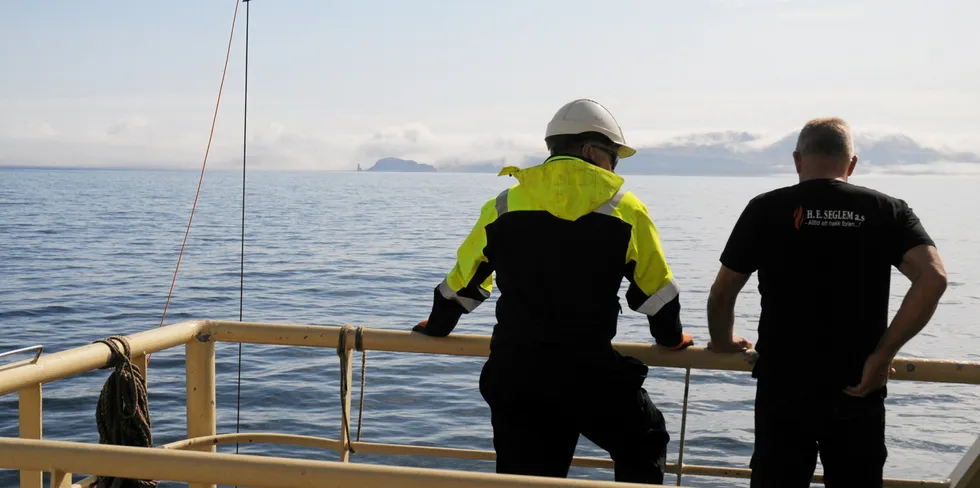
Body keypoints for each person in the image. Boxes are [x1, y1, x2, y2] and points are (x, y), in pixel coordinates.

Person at [411, 98, 694, 483]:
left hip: (516, 376)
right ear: (591, 150)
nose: (615, 166)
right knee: (645, 438)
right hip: (587, 376)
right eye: (614, 156)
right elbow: (656, 294)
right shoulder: (625, 209)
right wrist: (672, 338)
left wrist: (438, 326)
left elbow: (464, 281)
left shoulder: (505, 205)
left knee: (526, 477)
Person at [706, 117, 948, 487]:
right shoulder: (887, 209)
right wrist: (882, 357)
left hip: (784, 387)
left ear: (797, 159)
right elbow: (933, 279)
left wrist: (723, 342)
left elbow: (724, 292)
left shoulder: (765, 208)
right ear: (851, 163)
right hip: (858, 385)